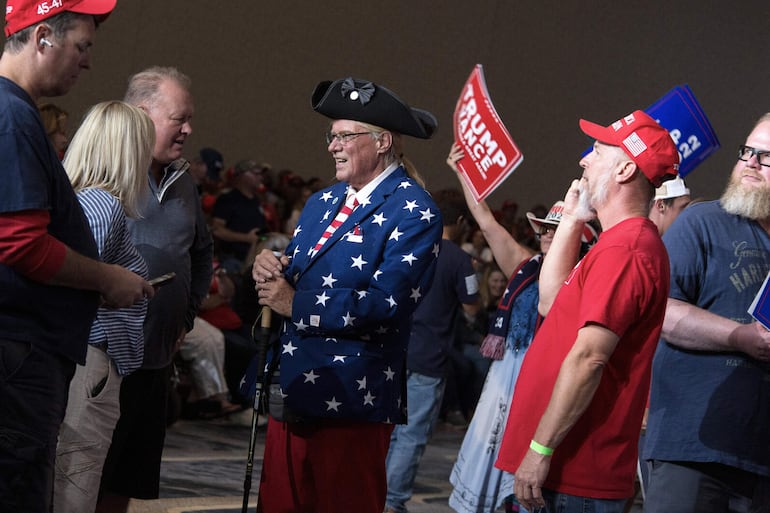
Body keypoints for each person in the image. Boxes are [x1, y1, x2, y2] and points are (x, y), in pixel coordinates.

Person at [250, 76, 443, 513]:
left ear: (382, 142)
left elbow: (387, 303)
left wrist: (293, 303)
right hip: (293, 384)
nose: (332, 147)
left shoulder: (415, 210)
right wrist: (271, 265)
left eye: (344, 136)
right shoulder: (322, 201)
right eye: (330, 136)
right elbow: (297, 275)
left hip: (354, 396)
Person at [0, 2, 153, 511]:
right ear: (43, 37)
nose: (87, 62)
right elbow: (20, 242)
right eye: (81, 47)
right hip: (20, 358)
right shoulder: (13, 116)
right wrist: (106, 278)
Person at [495, 109, 679, 513]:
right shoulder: (617, 244)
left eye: (597, 151)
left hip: (574, 473)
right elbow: (549, 301)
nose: (584, 160)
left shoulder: (625, 249)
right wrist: (574, 219)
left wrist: (540, 449)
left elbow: (589, 357)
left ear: (626, 169)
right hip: (569, 472)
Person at [447, 142, 596, 513]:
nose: (547, 234)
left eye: (556, 228)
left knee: (528, 466)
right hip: (506, 376)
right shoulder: (524, 265)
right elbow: (485, 222)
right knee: (491, 449)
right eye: (545, 228)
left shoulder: (584, 278)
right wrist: (463, 173)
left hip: (544, 378)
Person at [97, 66, 214, 513]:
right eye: (178, 118)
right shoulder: (103, 170)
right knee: (83, 474)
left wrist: (185, 315)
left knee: (125, 476)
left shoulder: (183, 180)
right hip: (104, 361)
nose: (188, 130)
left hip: (156, 360)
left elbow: (201, 254)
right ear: (142, 115)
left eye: (189, 119)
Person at [643, 115, 770, 512]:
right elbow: (664, 314)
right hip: (694, 450)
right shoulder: (702, 223)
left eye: (766, 157)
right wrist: (741, 337)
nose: (750, 162)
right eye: (747, 151)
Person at [53, 100, 155, 513]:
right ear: (128, 151)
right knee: (74, 482)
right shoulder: (102, 204)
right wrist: (123, 286)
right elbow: (72, 281)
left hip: (81, 360)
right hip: (88, 362)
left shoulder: (83, 199)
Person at [384, 195, 480, 513]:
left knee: (388, 431)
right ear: (461, 222)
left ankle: (372, 493)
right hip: (430, 356)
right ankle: (391, 501)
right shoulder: (459, 259)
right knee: (411, 435)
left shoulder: (410, 246)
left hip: (394, 351)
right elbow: (472, 305)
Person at [211, 159, 267, 273]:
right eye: (256, 174)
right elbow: (217, 230)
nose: (260, 178)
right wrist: (247, 238)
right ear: (242, 175)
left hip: (254, 259)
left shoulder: (256, 200)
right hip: (233, 259)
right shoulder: (228, 199)